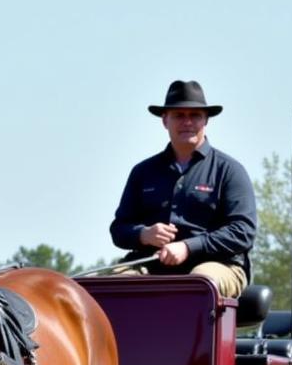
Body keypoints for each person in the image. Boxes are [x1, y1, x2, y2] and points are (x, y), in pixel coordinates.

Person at [110, 79, 257, 297]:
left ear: (205, 120)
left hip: (219, 265)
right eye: (179, 115)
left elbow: (242, 232)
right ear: (165, 120)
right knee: (106, 286)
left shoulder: (229, 170)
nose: (187, 122)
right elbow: (119, 229)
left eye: (194, 115)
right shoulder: (143, 172)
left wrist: (188, 247)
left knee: (198, 283)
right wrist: (144, 234)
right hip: (150, 264)